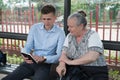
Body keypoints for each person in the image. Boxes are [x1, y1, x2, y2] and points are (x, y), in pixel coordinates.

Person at [2, 4, 65, 80]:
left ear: (55, 18)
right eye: (44, 19)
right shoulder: (34, 28)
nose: (46, 22)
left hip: (47, 64)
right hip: (31, 62)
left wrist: (44, 58)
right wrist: (25, 55)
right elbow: (28, 46)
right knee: (10, 78)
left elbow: (58, 56)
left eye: (49, 19)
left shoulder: (60, 33)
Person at [56, 10, 108, 80]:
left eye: (71, 27)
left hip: (94, 71)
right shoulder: (69, 36)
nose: (68, 29)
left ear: (81, 26)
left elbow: (92, 57)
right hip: (75, 70)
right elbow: (64, 53)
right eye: (68, 26)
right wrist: (62, 64)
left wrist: (70, 62)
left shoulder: (92, 35)